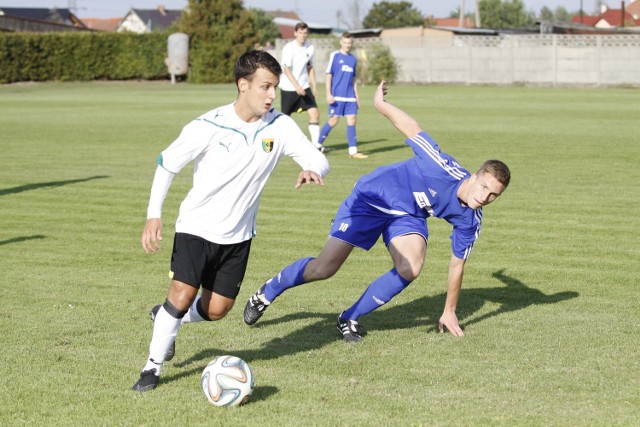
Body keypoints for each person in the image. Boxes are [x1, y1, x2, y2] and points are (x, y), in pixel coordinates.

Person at [244, 80, 511, 342]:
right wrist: (380, 104)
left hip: (408, 215)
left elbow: (457, 265)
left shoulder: (471, 219)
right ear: (474, 176)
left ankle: (349, 317)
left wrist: (449, 311)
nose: (484, 196)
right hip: (370, 200)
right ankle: (268, 291)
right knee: (324, 269)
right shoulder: (440, 167)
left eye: (493, 195)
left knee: (412, 267)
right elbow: (411, 128)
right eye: (484, 186)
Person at [131, 50, 330, 392]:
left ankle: (162, 316)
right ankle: (152, 368)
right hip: (196, 227)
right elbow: (167, 165)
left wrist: (313, 168)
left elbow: (318, 158)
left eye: (275, 87)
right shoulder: (208, 125)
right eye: (265, 87)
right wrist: (153, 215)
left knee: (218, 309)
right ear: (243, 85)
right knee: (181, 293)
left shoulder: (280, 126)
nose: (272, 95)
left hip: (238, 236)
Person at [318, 32, 368, 159]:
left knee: (352, 120)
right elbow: (329, 76)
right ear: (341, 42)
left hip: (350, 96)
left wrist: (357, 97)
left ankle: (353, 151)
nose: (347, 45)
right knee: (334, 120)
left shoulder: (353, 59)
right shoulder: (335, 56)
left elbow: (353, 80)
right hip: (337, 96)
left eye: (349, 43)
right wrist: (328, 94)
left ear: (351, 43)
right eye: (345, 42)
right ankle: (317, 145)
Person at [279, 22, 324, 152]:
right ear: (295, 33)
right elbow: (286, 69)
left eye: (305, 33)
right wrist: (296, 86)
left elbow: (310, 67)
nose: (303, 35)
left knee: (314, 113)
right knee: (285, 119)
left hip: (304, 86)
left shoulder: (310, 48)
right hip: (289, 88)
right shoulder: (289, 48)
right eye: (300, 33)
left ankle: (316, 146)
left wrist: (314, 86)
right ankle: (281, 145)